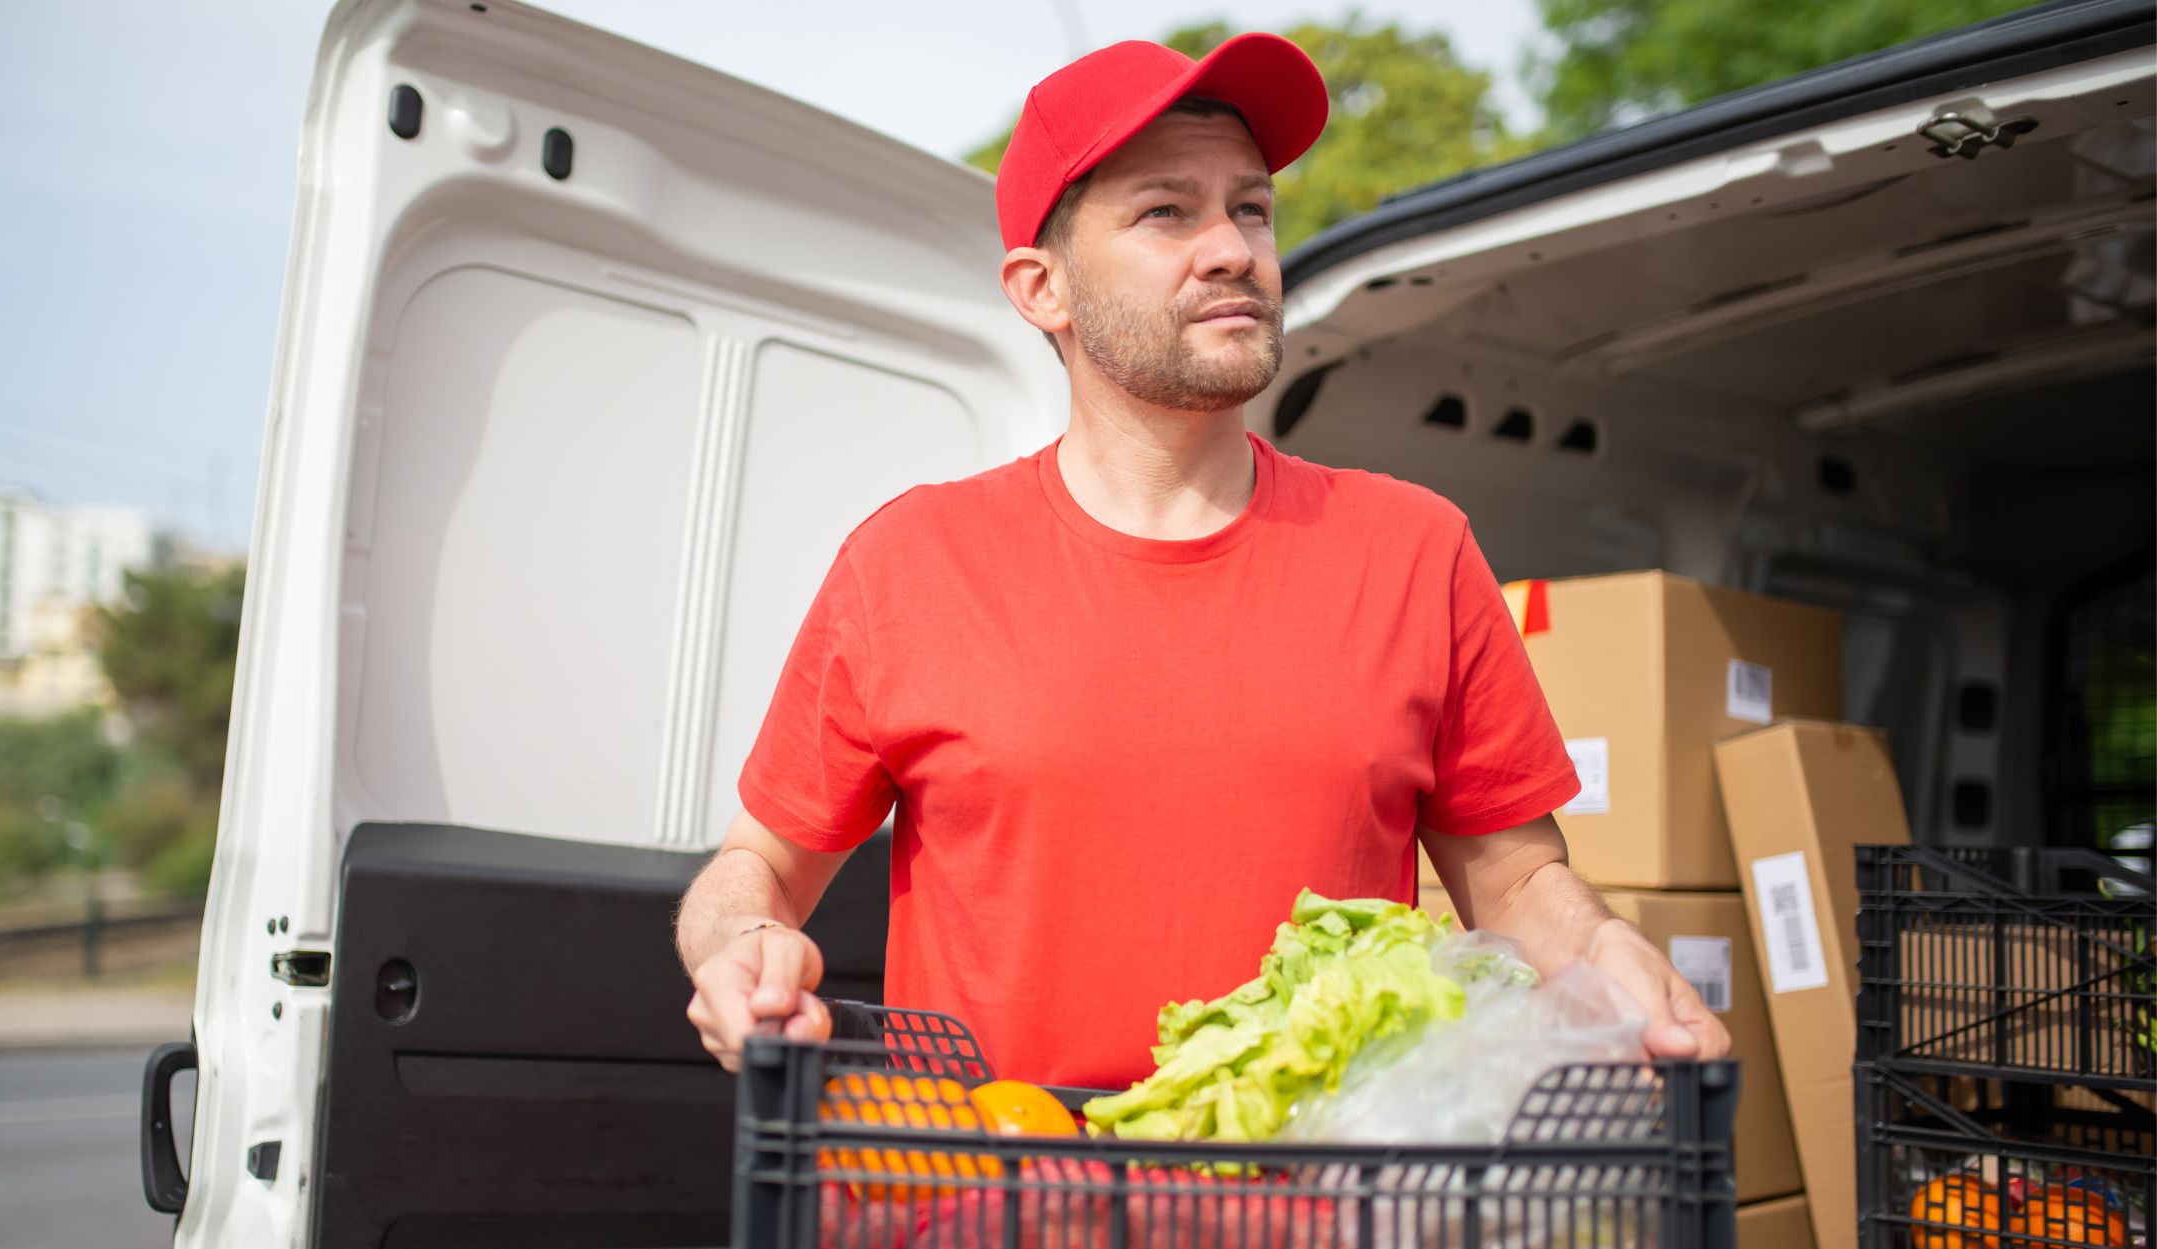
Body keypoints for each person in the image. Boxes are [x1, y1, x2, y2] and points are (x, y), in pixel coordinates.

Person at [677, 34, 1730, 1083]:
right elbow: (758, 866)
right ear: (1042, 288)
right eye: (1164, 212)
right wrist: (735, 947)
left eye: (1251, 207)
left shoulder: (1415, 549)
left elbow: (1510, 879)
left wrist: (1600, 954)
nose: (1232, 248)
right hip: (989, 1214)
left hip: (1324, 1228)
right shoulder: (908, 562)